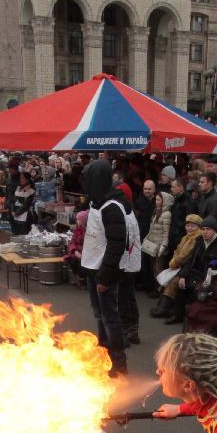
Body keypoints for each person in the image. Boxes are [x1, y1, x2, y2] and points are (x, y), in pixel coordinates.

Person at [81, 159, 135, 377]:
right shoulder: (98, 202)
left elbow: (117, 245)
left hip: (105, 273)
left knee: (110, 317)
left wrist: (104, 278)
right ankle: (104, 356)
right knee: (100, 315)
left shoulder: (112, 207)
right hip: (94, 269)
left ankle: (118, 363)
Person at [63, 209, 89, 289]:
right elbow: (72, 242)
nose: (77, 221)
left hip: (86, 253)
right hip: (77, 252)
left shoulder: (89, 231)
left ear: (84, 220)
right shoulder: (77, 230)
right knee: (72, 259)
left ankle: (83, 279)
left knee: (83, 262)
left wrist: (82, 252)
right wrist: (75, 250)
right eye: (77, 219)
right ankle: (80, 279)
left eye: (79, 219)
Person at [10, 170, 36, 235]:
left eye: (22, 178)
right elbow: (14, 201)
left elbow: (26, 205)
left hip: (25, 216)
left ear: (27, 179)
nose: (20, 179)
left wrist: (17, 213)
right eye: (20, 178)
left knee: (24, 234)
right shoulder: (18, 188)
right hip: (16, 216)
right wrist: (12, 211)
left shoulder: (31, 191)